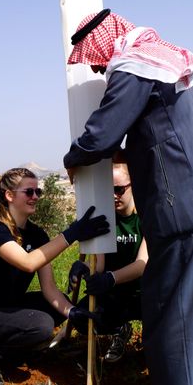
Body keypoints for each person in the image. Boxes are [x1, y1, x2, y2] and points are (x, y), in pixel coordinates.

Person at [63, 10, 193, 385]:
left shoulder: (134, 66)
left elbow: (102, 135)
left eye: (96, 59)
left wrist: (72, 158)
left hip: (179, 196)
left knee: (170, 300)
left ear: (105, 42)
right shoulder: (167, 57)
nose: (100, 67)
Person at [0, 168, 110, 385]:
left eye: (38, 191)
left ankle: (19, 346)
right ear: (10, 195)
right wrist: (71, 234)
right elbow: (28, 262)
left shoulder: (37, 235)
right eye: (29, 192)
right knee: (41, 325)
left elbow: (49, 290)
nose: (35, 196)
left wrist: (72, 313)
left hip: (8, 307)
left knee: (59, 306)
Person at [69, 155, 148, 363]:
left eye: (119, 189)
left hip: (145, 293)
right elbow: (100, 265)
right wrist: (84, 267)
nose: (113, 196)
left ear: (133, 186)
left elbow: (142, 264)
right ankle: (120, 329)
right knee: (83, 318)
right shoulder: (105, 220)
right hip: (113, 294)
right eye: (108, 190)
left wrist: (111, 278)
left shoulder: (146, 218)